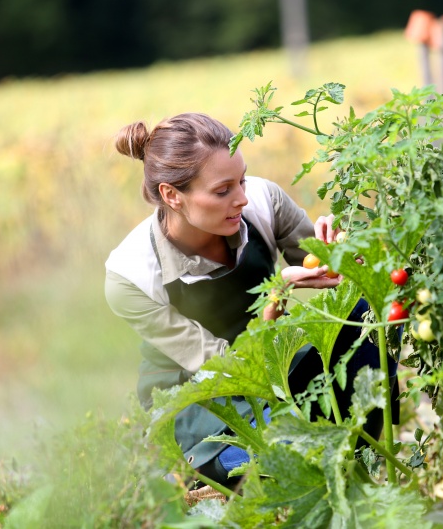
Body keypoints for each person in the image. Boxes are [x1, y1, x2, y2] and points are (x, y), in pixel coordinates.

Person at [104, 112, 397, 487]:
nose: (242, 198)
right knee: (292, 465)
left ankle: (364, 456)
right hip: (204, 402)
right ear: (172, 195)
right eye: (223, 190)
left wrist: (339, 251)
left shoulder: (262, 200)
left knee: (367, 316)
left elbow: (335, 275)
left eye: (241, 180)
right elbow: (231, 371)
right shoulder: (130, 277)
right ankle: (206, 468)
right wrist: (278, 291)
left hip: (280, 369)